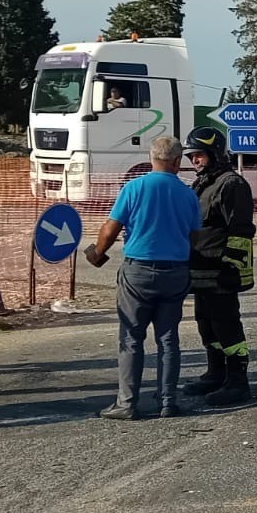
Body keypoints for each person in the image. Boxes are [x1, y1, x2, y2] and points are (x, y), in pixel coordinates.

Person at [83, 135, 200, 420]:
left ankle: (127, 404)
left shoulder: (134, 188)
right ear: (176, 161)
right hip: (175, 270)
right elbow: (195, 236)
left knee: (132, 338)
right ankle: (167, 401)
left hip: (138, 271)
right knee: (169, 338)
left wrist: (97, 253)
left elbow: (111, 228)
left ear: (151, 159)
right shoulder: (188, 194)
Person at [181, 127, 256, 407]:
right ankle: (216, 373)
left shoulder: (231, 184)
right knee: (206, 324)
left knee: (226, 325)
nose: (194, 161)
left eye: (199, 155)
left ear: (214, 153)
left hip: (221, 271)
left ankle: (238, 382)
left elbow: (241, 230)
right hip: (201, 270)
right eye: (191, 156)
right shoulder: (201, 183)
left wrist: (231, 267)